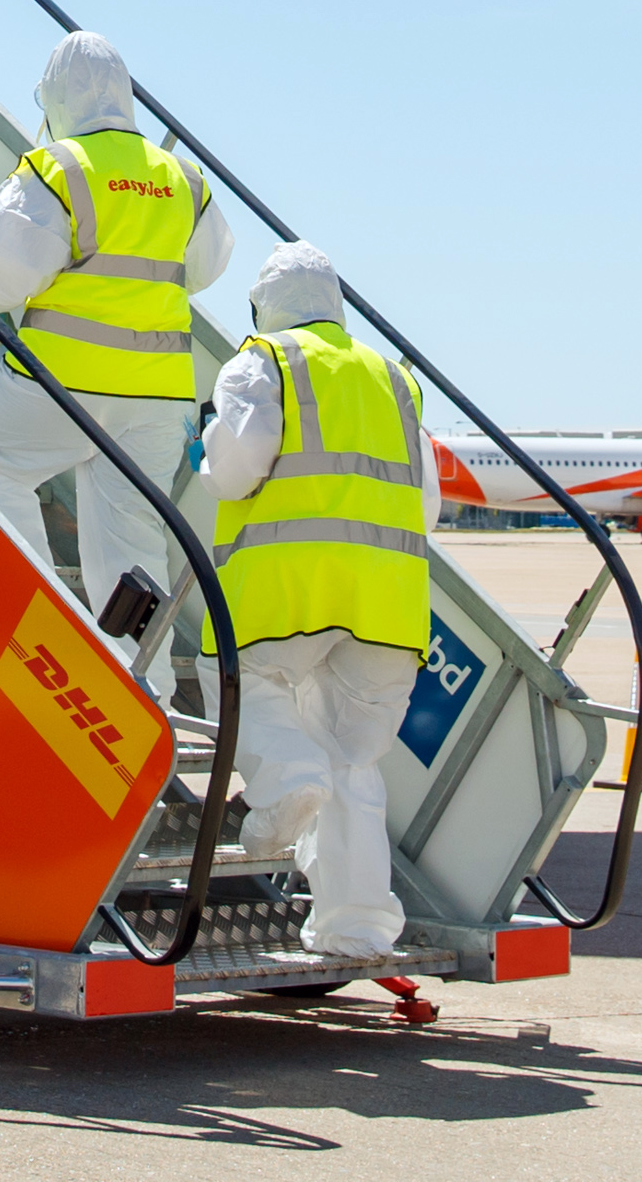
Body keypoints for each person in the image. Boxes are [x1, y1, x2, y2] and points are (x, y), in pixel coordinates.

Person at [0, 32, 234, 699]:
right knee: (132, 546)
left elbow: (4, 280)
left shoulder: (58, 168)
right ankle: (146, 695)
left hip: (62, 385)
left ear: (56, 97)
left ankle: (42, 621)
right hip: (157, 397)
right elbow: (204, 267)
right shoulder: (183, 178)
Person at [205, 240, 440, 959]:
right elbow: (427, 506)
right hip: (388, 602)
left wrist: (209, 446)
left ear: (265, 305)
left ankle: (285, 778)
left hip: (289, 587)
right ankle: (356, 926)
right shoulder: (394, 379)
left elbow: (235, 471)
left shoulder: (263, 362)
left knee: (239, 683)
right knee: (353, 764)